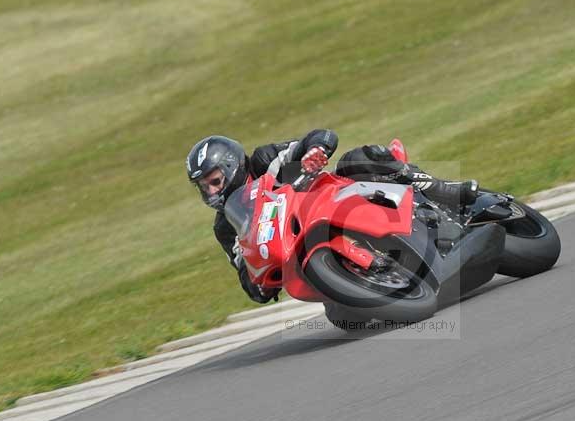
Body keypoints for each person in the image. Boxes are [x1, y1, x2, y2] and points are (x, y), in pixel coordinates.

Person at [185, 129, 478, 304]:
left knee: (359, 158)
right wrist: (258, 281)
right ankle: (371, 283)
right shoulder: (227, 225)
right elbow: (247, 280)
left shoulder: (265, 161)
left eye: (215, 181)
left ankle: (445, 190)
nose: (211, 192)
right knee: (343, 318)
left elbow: (320, 136)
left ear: (231, 165)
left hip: (336, 200)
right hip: (309, 254)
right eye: (204, 187)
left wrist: (316, 150)